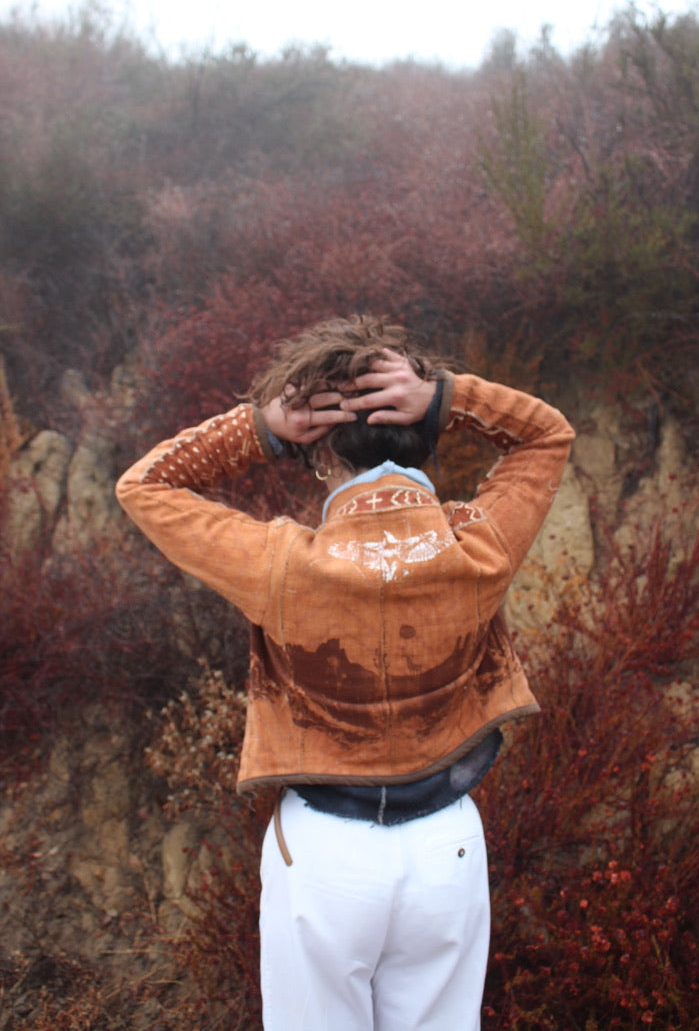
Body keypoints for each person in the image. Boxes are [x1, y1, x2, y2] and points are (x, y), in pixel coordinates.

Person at [116, 314, 575, 1030]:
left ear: (319, 451)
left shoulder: (281, 565)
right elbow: (547, 434)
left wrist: (260, 428)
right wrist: (448, 395)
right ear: (423, 431)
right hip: (446, 849)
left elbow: (145, 486)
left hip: (326, 856)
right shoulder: (478, 547)